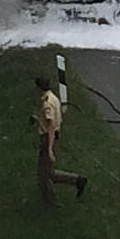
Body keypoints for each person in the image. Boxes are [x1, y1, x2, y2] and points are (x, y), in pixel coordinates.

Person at [34, 77, 87, 207]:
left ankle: (51, 201)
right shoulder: (53, 97)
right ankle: (76, 181)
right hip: (52, 135)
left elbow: (51, 126)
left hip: (48, 138)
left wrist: (50, 148)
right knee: (47, 172)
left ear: (39, 88)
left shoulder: (47, 104)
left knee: (44, 174)